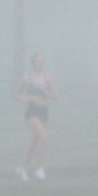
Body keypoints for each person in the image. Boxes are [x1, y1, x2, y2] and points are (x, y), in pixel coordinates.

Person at [14, 52, 58, 181]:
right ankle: (38, 168)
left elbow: (56, 96)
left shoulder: (47, 78)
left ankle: (22, 167)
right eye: (37, 61)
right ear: (32, 63)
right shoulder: (27, 79)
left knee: (36, 142)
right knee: (43, 137)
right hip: (32, 111)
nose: (40, 64)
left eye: (41, 61)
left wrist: (46, 93)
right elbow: (17, 94)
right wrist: (27, 99)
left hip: (43, 111)